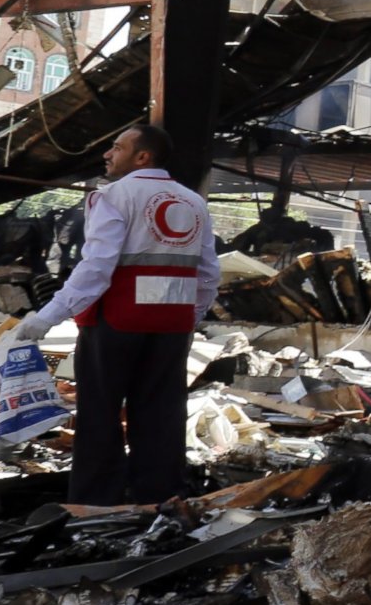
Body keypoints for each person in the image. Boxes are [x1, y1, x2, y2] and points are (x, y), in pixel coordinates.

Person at [15, 124, 219, 505]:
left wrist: (48, 316)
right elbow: (208, 272)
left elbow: (97, 267)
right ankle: (160, 502)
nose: (107, 153)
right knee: (161, 414)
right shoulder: (193, 201)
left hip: (116, 321)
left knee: (100, 414)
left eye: (116, 146)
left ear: (143, 156)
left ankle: (95, 504)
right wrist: (190, 316)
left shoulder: (114, 196)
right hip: (172, 326)